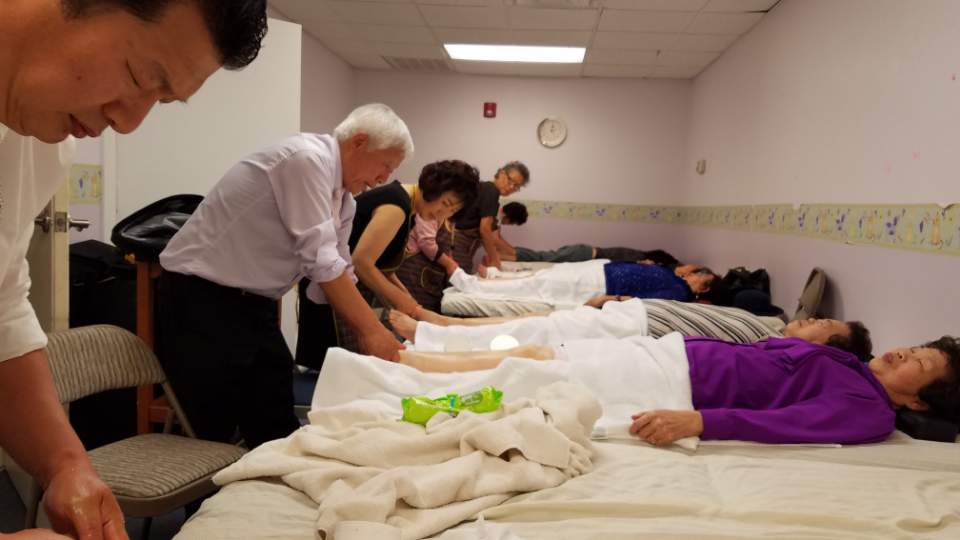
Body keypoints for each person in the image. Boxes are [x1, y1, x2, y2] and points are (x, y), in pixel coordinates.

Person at [0, 1, 267, 538]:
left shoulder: (37, 146)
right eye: (140, 76)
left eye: (160, 101)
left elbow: (3, 312)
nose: (127, 122)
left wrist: (66, 465)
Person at [156, 103, 413, 448]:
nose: (383, 178)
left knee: (274, 409)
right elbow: (322, 261)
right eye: (385, 166)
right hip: (203, 296)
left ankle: (270, 479)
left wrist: (371, 333)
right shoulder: (306, 160)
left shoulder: (344, 200)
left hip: (253, 303)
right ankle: (212, 485)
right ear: (359, 142)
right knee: (213, 424)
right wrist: (371, 331)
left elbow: (339, 269)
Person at [392, 334, 960, 446]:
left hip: (676, 382)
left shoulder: (869, 411)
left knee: (538, 372)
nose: (903, 352)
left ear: (918, 400)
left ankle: (418, 381)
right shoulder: (849, 362)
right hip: (672, 354)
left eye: (921, 362)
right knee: (542, 355)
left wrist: (702, 422)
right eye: (914, 345)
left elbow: (787, 424)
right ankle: (418, 367)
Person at [296, 160, 479, 369]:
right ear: (432, 186)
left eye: (452, 210)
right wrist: (401, 300)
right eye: (445, 203)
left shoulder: (408, 208)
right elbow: (362, 262)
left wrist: (408, 301)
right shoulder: (396, 205)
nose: (442, 214)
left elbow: (384, 267)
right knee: (334, 367)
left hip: (343, 283)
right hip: (334, 287)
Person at [389, 297, 872, 360]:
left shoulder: (769, 348)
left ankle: (430, 339)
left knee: (534, 337)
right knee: (541, 323)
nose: (813, 319)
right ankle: (438, 330)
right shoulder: (770, 325)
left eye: (823, 324)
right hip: (634, 315)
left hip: (634, 334)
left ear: (827, 347)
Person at [448, 258, 719, 306]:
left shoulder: (679, 294)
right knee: (544, 277)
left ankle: (472, 286)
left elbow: (643, 302)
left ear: (703, 287)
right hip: (600, 273)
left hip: (600, 286)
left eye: (698, 275)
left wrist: (606, 301)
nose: (691, 274)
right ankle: (489, 280)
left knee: (539, 286)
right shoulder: (675, 279)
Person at [450, 161, 529, 272]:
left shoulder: (486, 189)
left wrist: (495, 254)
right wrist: (494, 258)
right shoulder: (491, 190)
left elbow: (489, 233)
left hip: (458, 245)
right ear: (502, 173)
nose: (511, 187)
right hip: (457, 244)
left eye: (516, 186)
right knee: (458, 276)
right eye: (510, 180)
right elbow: (485, 229)